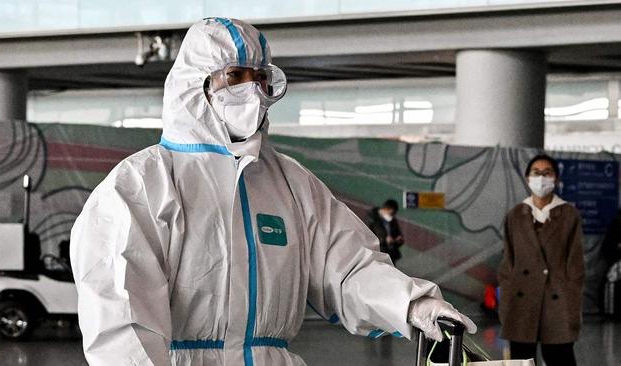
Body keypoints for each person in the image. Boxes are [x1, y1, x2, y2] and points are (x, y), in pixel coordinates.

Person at [70, 18, 475, 366]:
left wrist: (411, 304)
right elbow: (122, 321)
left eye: (261, 78)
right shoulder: (140, 185)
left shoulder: (290, 183)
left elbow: (348, 268)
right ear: (196, 88)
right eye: (236, 77)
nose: (253, 90)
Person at [498, 154, 584, 366]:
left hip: (558, 301)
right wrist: (506, 299)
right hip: (521, 299)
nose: (541, 178)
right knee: (521, 360)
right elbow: (508, 262)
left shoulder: (569, 214)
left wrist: (572, 301)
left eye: (547, 173)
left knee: (560, 358)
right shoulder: (515, 215)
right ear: (528, 178)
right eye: (536, 173)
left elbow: (575, 265)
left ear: (556, 178)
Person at [367, 199, 404, 264]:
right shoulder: (372, 220)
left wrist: (398, 240)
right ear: (386, 209)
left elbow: (398, 234)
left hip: (391, 255)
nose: (392, 216)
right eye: (392, 213)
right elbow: (368, 237)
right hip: (379, 255)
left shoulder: (392, 220)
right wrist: (384, 240)